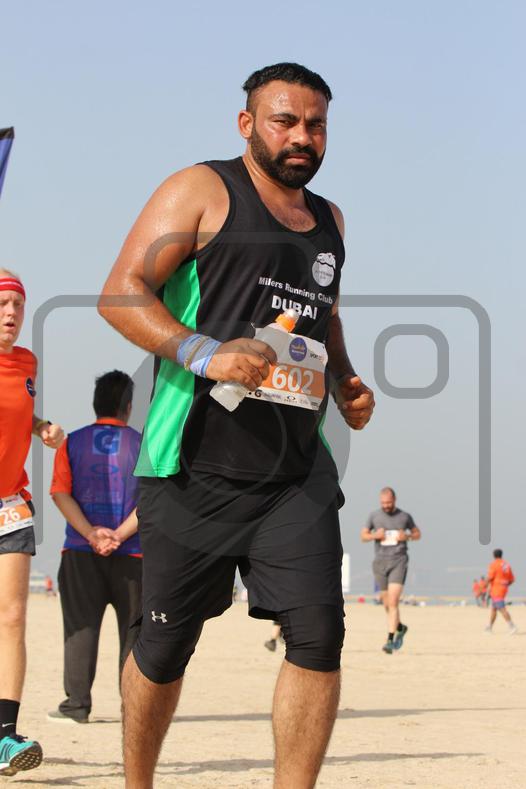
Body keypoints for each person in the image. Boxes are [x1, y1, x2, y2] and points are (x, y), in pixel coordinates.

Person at [98, 62, 375, 788]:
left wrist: (344, 380)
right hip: (193, 463)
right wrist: (204, 352)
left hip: (295, 473)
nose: (302, 136)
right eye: (285, 120)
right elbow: (120, 292)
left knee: (318, 635)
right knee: (164, 648)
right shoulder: (201, 189)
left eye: (316, 124)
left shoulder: (331, 221)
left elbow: (322, 317)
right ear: (247, 124)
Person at [47, 371, 142, 723]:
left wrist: (91, 533)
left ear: (95, 403)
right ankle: (134, 708)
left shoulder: (71, 443)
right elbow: (152, 501)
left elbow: (60, 493)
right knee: (135, 633)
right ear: (128, 406)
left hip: (80, 551)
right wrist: (119, 534)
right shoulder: (144, 444)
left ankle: (76, 706)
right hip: (134, 554)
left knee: (81, 628)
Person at [0, 269, 64, 776]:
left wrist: (43, 426)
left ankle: (5, 735)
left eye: (18, 305)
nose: (11, 313)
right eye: (2, 304)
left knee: (14, 617)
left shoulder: (26, 362)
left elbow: (19, 414)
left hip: (10, 503)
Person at [361, 487, 421, 654]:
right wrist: (375, 536)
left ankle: (390, 640)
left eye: (388, 502)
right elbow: (363, 536)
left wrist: (407, 536)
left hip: (399, 561)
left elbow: (417, 534)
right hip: (380, 562)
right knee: (387, 603)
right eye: (383, 503)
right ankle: (400, 627)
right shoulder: (374, 516)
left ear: (394, 500)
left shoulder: (404, 516)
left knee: (393, 602)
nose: (386, 505)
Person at [485, 549, 517, 634]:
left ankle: (512, 626)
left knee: (501, 608)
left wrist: (484, 586)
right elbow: (512, 579)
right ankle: (489, 627)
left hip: (496, 590)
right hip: (503, 589)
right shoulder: (506, 564)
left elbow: (490, 577)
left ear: (493, 555)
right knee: (494, 609)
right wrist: (505, 585)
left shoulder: (494, 564)